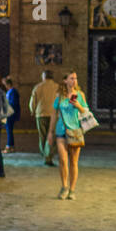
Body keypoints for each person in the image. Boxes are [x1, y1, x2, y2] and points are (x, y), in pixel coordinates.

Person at [47, 71, 92, 201]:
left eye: (76, 78)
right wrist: (50, 132)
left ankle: (72, 190)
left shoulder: (80, 95)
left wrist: (78, 105)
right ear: (65, 81)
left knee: (73, 161)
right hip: (61, 131)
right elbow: (54, 115)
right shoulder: (60, 96)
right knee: (62, 160)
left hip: (75, 131)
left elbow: (86, 111)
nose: (74, 81)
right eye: (71, 78)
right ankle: (64, 187)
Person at [29, 70, 60, 166]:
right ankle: (49, 156)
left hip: (41, 114)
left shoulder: (38, 87)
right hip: (54, 115)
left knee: (42, 135)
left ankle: (45, 154)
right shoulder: (57, 87)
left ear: (43, 77)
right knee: (51, 135)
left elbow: (32, 101)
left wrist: (32, 110)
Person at [3, 77, 20, 150]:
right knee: (8, 129)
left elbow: (13, 103)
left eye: (5, 85)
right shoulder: (10, 91)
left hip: (10, 114)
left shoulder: (13, 92)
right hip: (9, 113)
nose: (5, 86)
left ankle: (9, 145)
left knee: (9, 129)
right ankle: (10, 145)